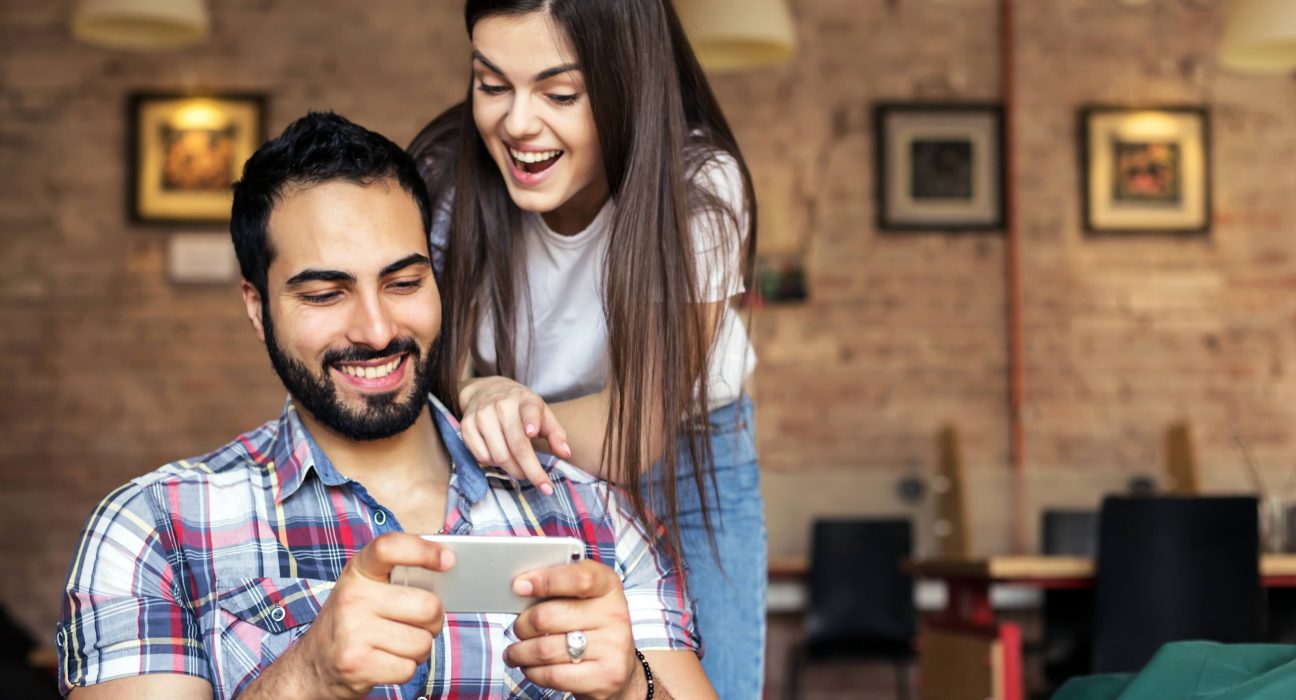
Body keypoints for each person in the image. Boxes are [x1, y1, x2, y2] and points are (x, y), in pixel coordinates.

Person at [56, 112, 713, 700]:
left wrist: (634, 689)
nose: (375, 329)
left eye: (403, 282)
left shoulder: (592, 514)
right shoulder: (155, 530)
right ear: (257, 307)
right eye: (325, 294)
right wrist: (307, 679)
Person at [409, 1, 766, 694]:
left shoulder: (698, 190)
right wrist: (477, 389)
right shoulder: (446, 178)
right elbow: (426, 355)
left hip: (685, 451)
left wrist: (494, 410)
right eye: (491, 84)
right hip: (506, 449)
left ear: (627, 81)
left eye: (559, 93)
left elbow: (635, 430)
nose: (515, 123)